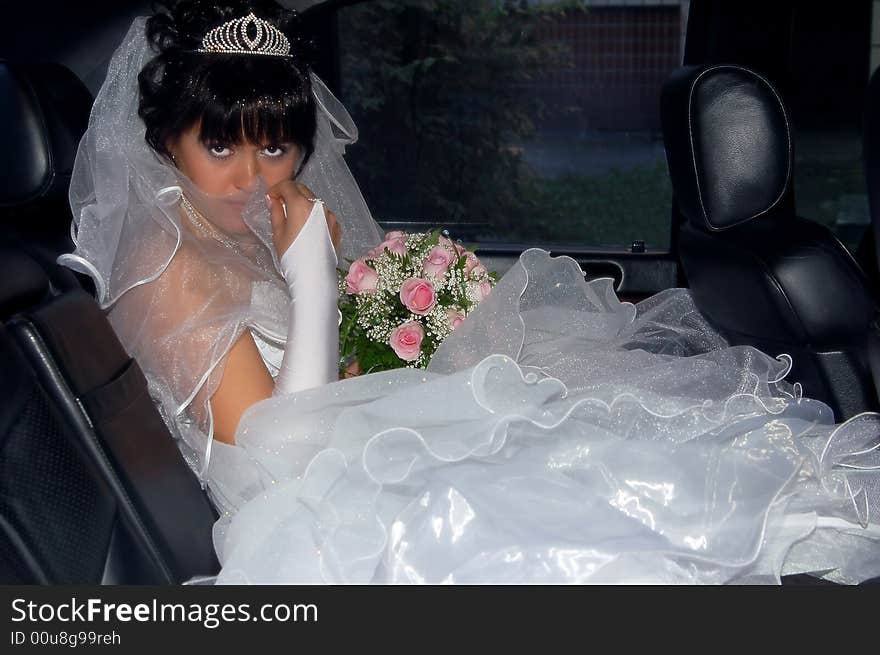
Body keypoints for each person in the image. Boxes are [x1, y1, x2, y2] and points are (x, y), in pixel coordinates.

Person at [61, 0, 880, 584]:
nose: (254, 177)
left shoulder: (233, 238)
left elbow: (315, 388)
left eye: (275, 146)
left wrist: (356, 325)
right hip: (316, 505)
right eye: (218, 145)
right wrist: (313, 284)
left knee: (613, 452)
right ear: (165, 142)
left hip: (350, 456)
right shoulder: (164, 266)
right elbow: (280, 455)